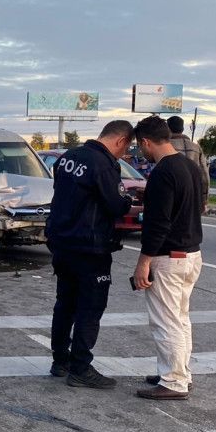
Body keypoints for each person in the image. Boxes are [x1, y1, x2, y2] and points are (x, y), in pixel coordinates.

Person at [44, 120, 135, 389]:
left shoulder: (68, 157)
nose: (124, 154)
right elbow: (116, 205)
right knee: (90, 307)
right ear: (120, 140)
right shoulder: (103, 164)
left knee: (65, 304)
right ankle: (81, 368)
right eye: (126, 148)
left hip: (62, 242)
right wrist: (128, 202)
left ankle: (60, 360)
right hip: (90, 246)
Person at [130, 115, 204, 400]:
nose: (141, 151)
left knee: (166, 321)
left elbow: (158, 223)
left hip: (168, 257)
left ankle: (173, 381)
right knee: (181, 318)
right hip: (191, 253)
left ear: (146, 142)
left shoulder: (162, 172)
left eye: (140, 146)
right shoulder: (189, 165)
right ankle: (180, 373)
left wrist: (143, 262)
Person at [167, 115, 210, 208]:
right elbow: (204, 175)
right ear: (182, 129)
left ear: (168, 129)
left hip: (171, 196)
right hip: (192, 195)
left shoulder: (165, 146)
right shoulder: (196, 147)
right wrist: (204, 200)